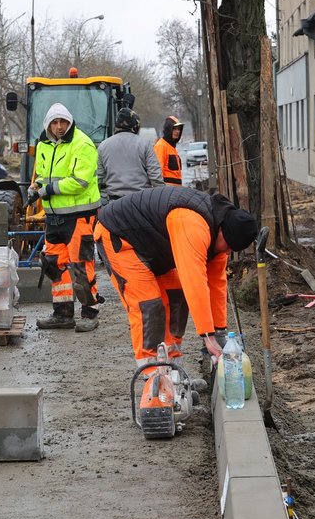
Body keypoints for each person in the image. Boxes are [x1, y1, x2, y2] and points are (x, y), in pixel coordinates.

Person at [95, 186, 258, 370]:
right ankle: (154, 380)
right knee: (149, 306)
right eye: (228, 245)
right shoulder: (192, 224)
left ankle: (174, 374)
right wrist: (207, 335)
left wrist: (219, 331)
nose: (228, 251)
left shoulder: (221, 231)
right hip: (120, 237)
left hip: (154, 246)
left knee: (176, 297)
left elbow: (216, 284)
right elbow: (194, 281)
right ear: (222, 231)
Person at [29, 103, 103, 332]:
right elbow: (44, 175)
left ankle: (90, 313)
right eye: (55, 122)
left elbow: (81, 182)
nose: (59, 127)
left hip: (79, 217)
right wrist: (36, 186)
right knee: (53, 265)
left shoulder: (83, 144)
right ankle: (62, 314)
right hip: (54, 218)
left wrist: (47, 190)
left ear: (69, 122)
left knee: (81, 266)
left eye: (63, 122)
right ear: (48, 124)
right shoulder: (43, 145)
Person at [96, 107, 164, 204]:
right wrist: (161, 199)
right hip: (141, 201)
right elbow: (155, 177)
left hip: (114, 203)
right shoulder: (145, 144)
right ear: (135, 126)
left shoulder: (103, 146)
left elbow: (98, 178)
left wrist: (103, 201)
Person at [154, 116, 184, 186]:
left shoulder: (172, 147)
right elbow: (157, 173)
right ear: (168, 129)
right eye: (174, 129)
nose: (177, 132)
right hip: (167, 192)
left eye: (179, 129)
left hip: (175, 191)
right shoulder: (161, 146)